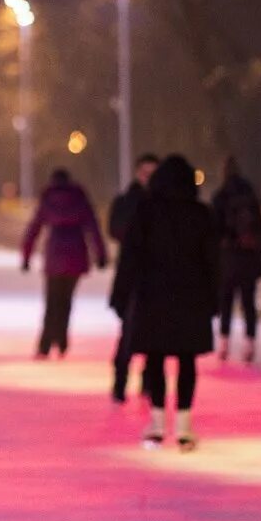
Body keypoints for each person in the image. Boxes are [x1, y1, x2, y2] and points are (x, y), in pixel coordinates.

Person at [113, 155, 217, 451]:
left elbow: (129, 259)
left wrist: (121, 295)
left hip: (152, 299)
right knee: (187, 362)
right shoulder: (201, 214)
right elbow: (213, 261)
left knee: (155, 360)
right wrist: (213, 300)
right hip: (191, 299)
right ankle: (184, 426)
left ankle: (157, 424)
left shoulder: (146, 212)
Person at [20, 168, 107, 358]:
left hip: (54, 256)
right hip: (76, 256)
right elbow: (94, 228)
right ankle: (62, 342)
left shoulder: (48, 198)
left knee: (51, 301)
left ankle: (45, 345)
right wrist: (101, 254)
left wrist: (26, 256)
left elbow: (34, 228)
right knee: (66, 301)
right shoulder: (80, 198)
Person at [106, 154, 161, 400]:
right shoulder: (127, 201)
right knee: (128, 332)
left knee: (155, 333)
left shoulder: (164, 204)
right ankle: (120, 383)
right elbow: (115, 229)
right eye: (145, 173)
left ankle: (149, 383)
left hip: (158, 277)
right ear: (138, 173)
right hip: (132, 277)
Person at [210, 157, 261, 363]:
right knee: (248, 303)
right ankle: (249, 343)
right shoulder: (250, 197)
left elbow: (212, 232)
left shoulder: (220, 197)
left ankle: (224, 343)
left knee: (226, 303)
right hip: (249, 260)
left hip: (227, 260)